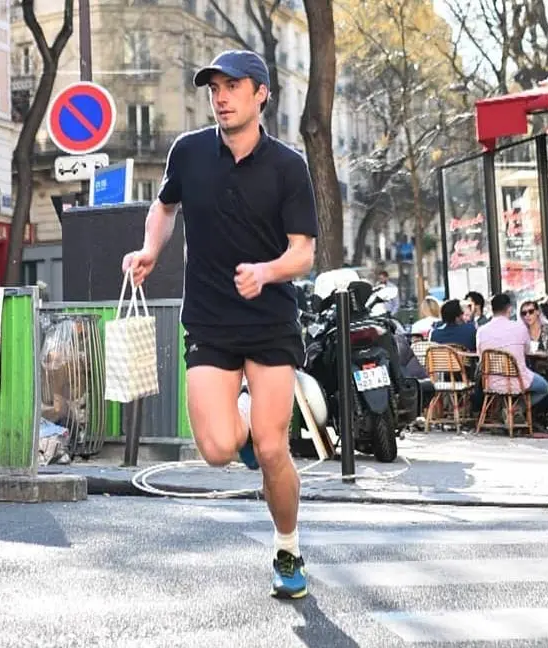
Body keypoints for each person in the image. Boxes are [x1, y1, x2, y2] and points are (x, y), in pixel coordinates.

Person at [121, 49, 317, 599]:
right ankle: (251, 415)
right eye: (214, 88)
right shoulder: (188, 153)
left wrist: (267, 270)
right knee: (215, 448)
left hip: (270, 318)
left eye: (233, 86)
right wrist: (149, 251)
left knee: (273, 451)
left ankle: (287, 547)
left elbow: (303, 253)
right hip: (208, 317)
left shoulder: (288, 166)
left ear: (261, 94)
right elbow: (164, 208)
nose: (221, 97)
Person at [476, 293, 548, 406]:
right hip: (518, 381)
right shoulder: (520, 328)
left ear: (492, 309)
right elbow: (527, 351)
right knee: (544, 387)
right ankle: (517, 408)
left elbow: (481, 355)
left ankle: (506, 410)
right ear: (510, 309)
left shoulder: (481, 331)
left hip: (491, 382)